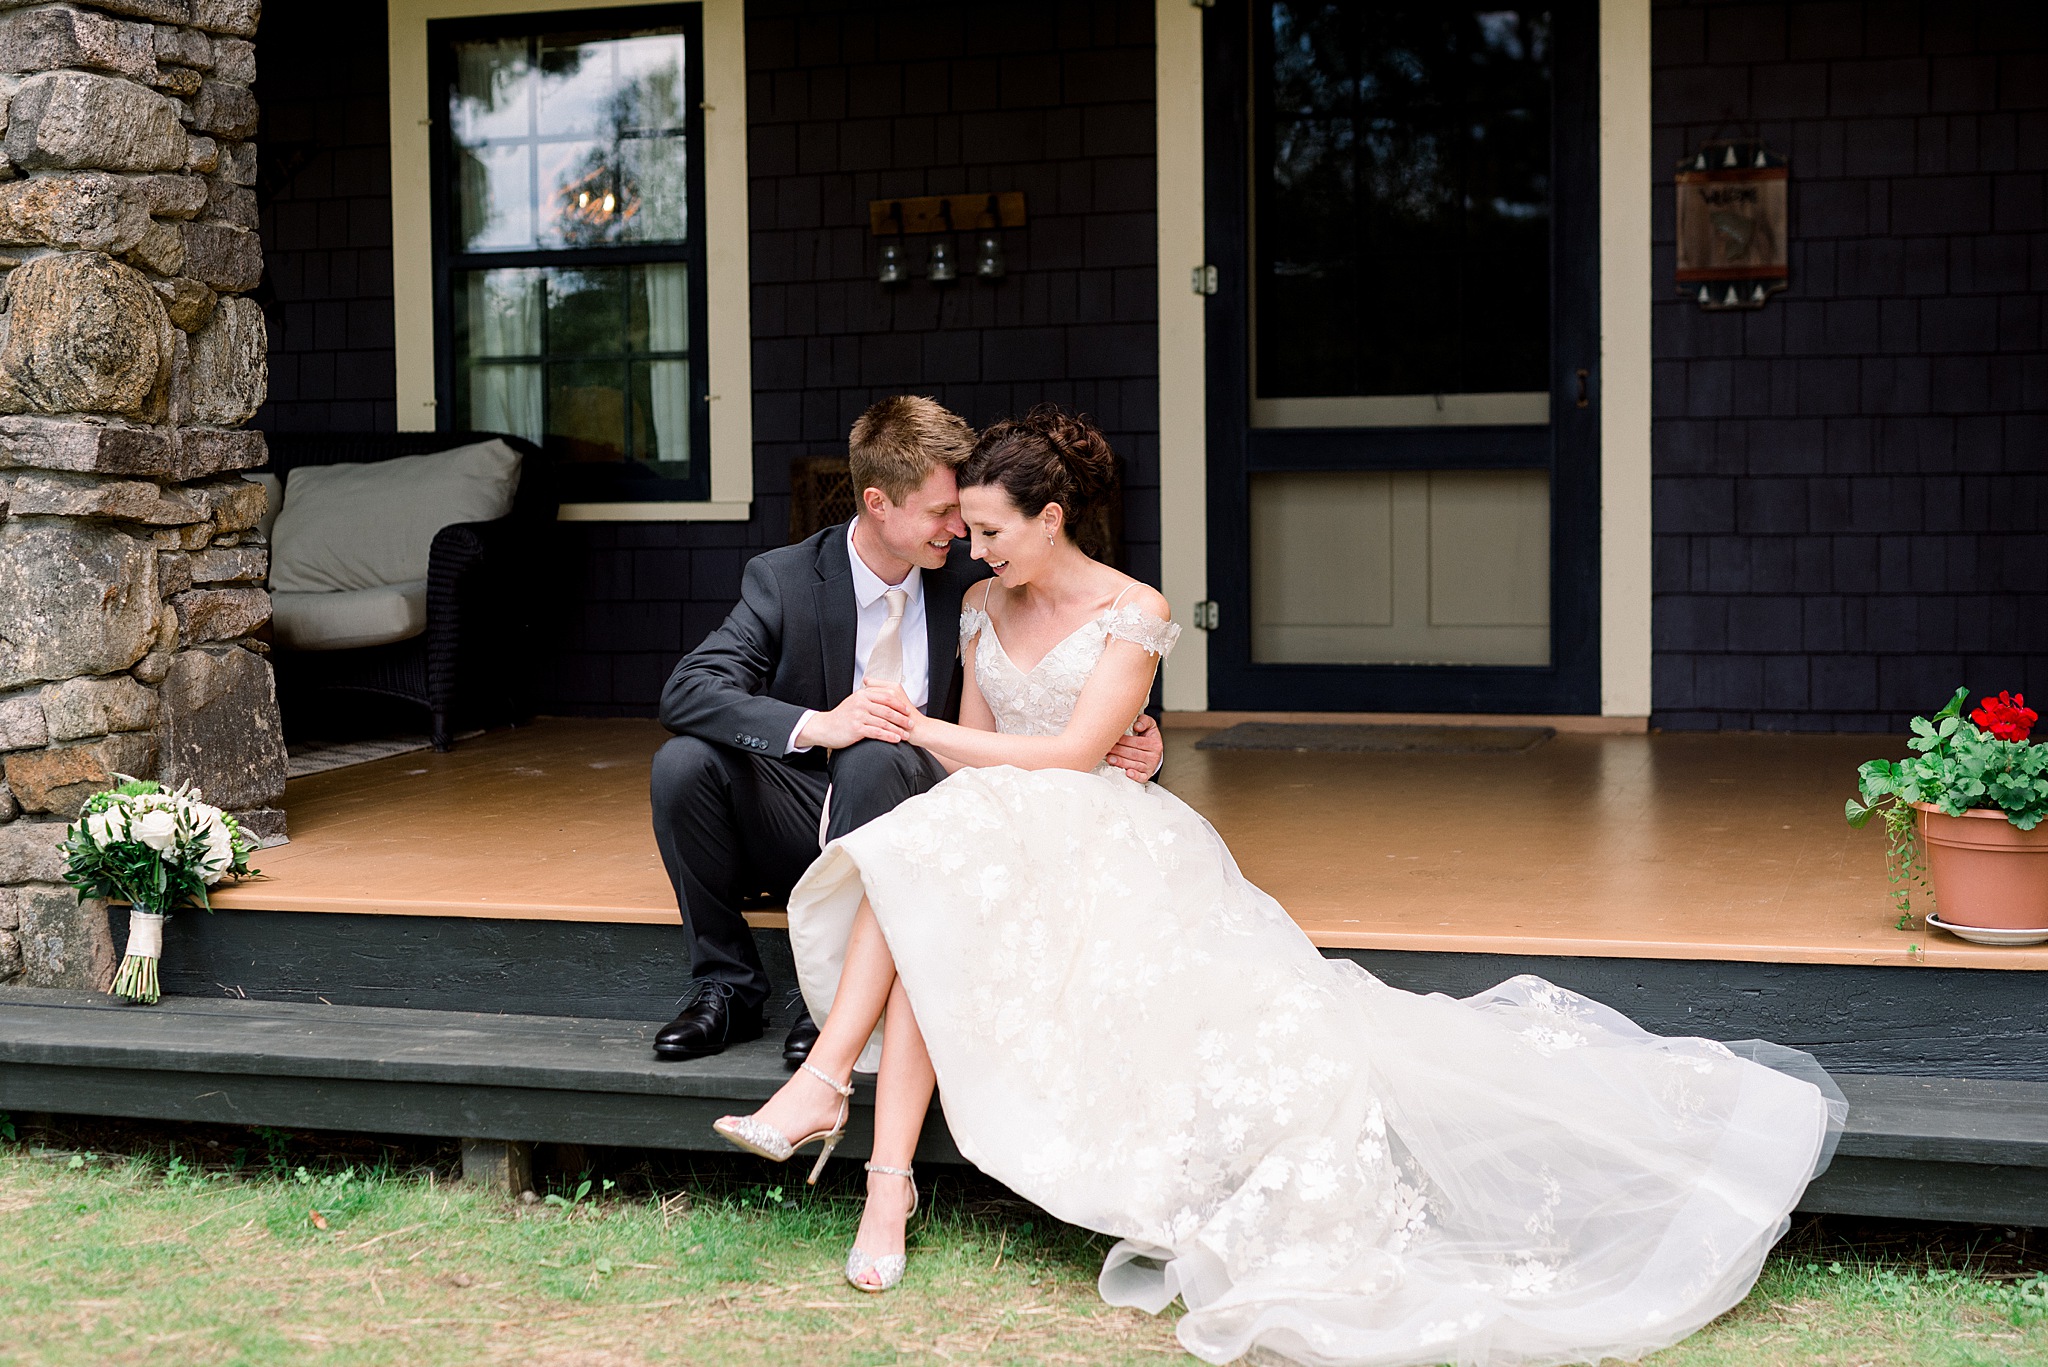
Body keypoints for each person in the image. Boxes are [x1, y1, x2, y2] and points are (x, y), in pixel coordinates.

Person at [714, 405, 1848, 1365]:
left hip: (1099, 829)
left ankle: (843, 1113)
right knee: (934, 866)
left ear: (1050, 519)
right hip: (999, 817)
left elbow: (1070, 756)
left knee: (929, 873)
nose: (971, 550)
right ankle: (867, 1154)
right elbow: (968, 737)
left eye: (991, 532)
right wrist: (935, 741)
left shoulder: (1133, 608)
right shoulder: (976, 608)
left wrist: (977, 743)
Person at [649, 396, 1165, 1066]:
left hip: (931, 805)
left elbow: (1089, 680)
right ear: (878, 502)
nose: (960, 530)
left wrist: (1145, 747)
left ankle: (835, 1006)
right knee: (683, 764)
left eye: (966, 513)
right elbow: (688, 689)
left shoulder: (981, 578)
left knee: (876, 754)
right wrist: (821, 724)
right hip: (807, 810)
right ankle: (727, 985)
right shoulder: (784, 580)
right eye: (942, 512)